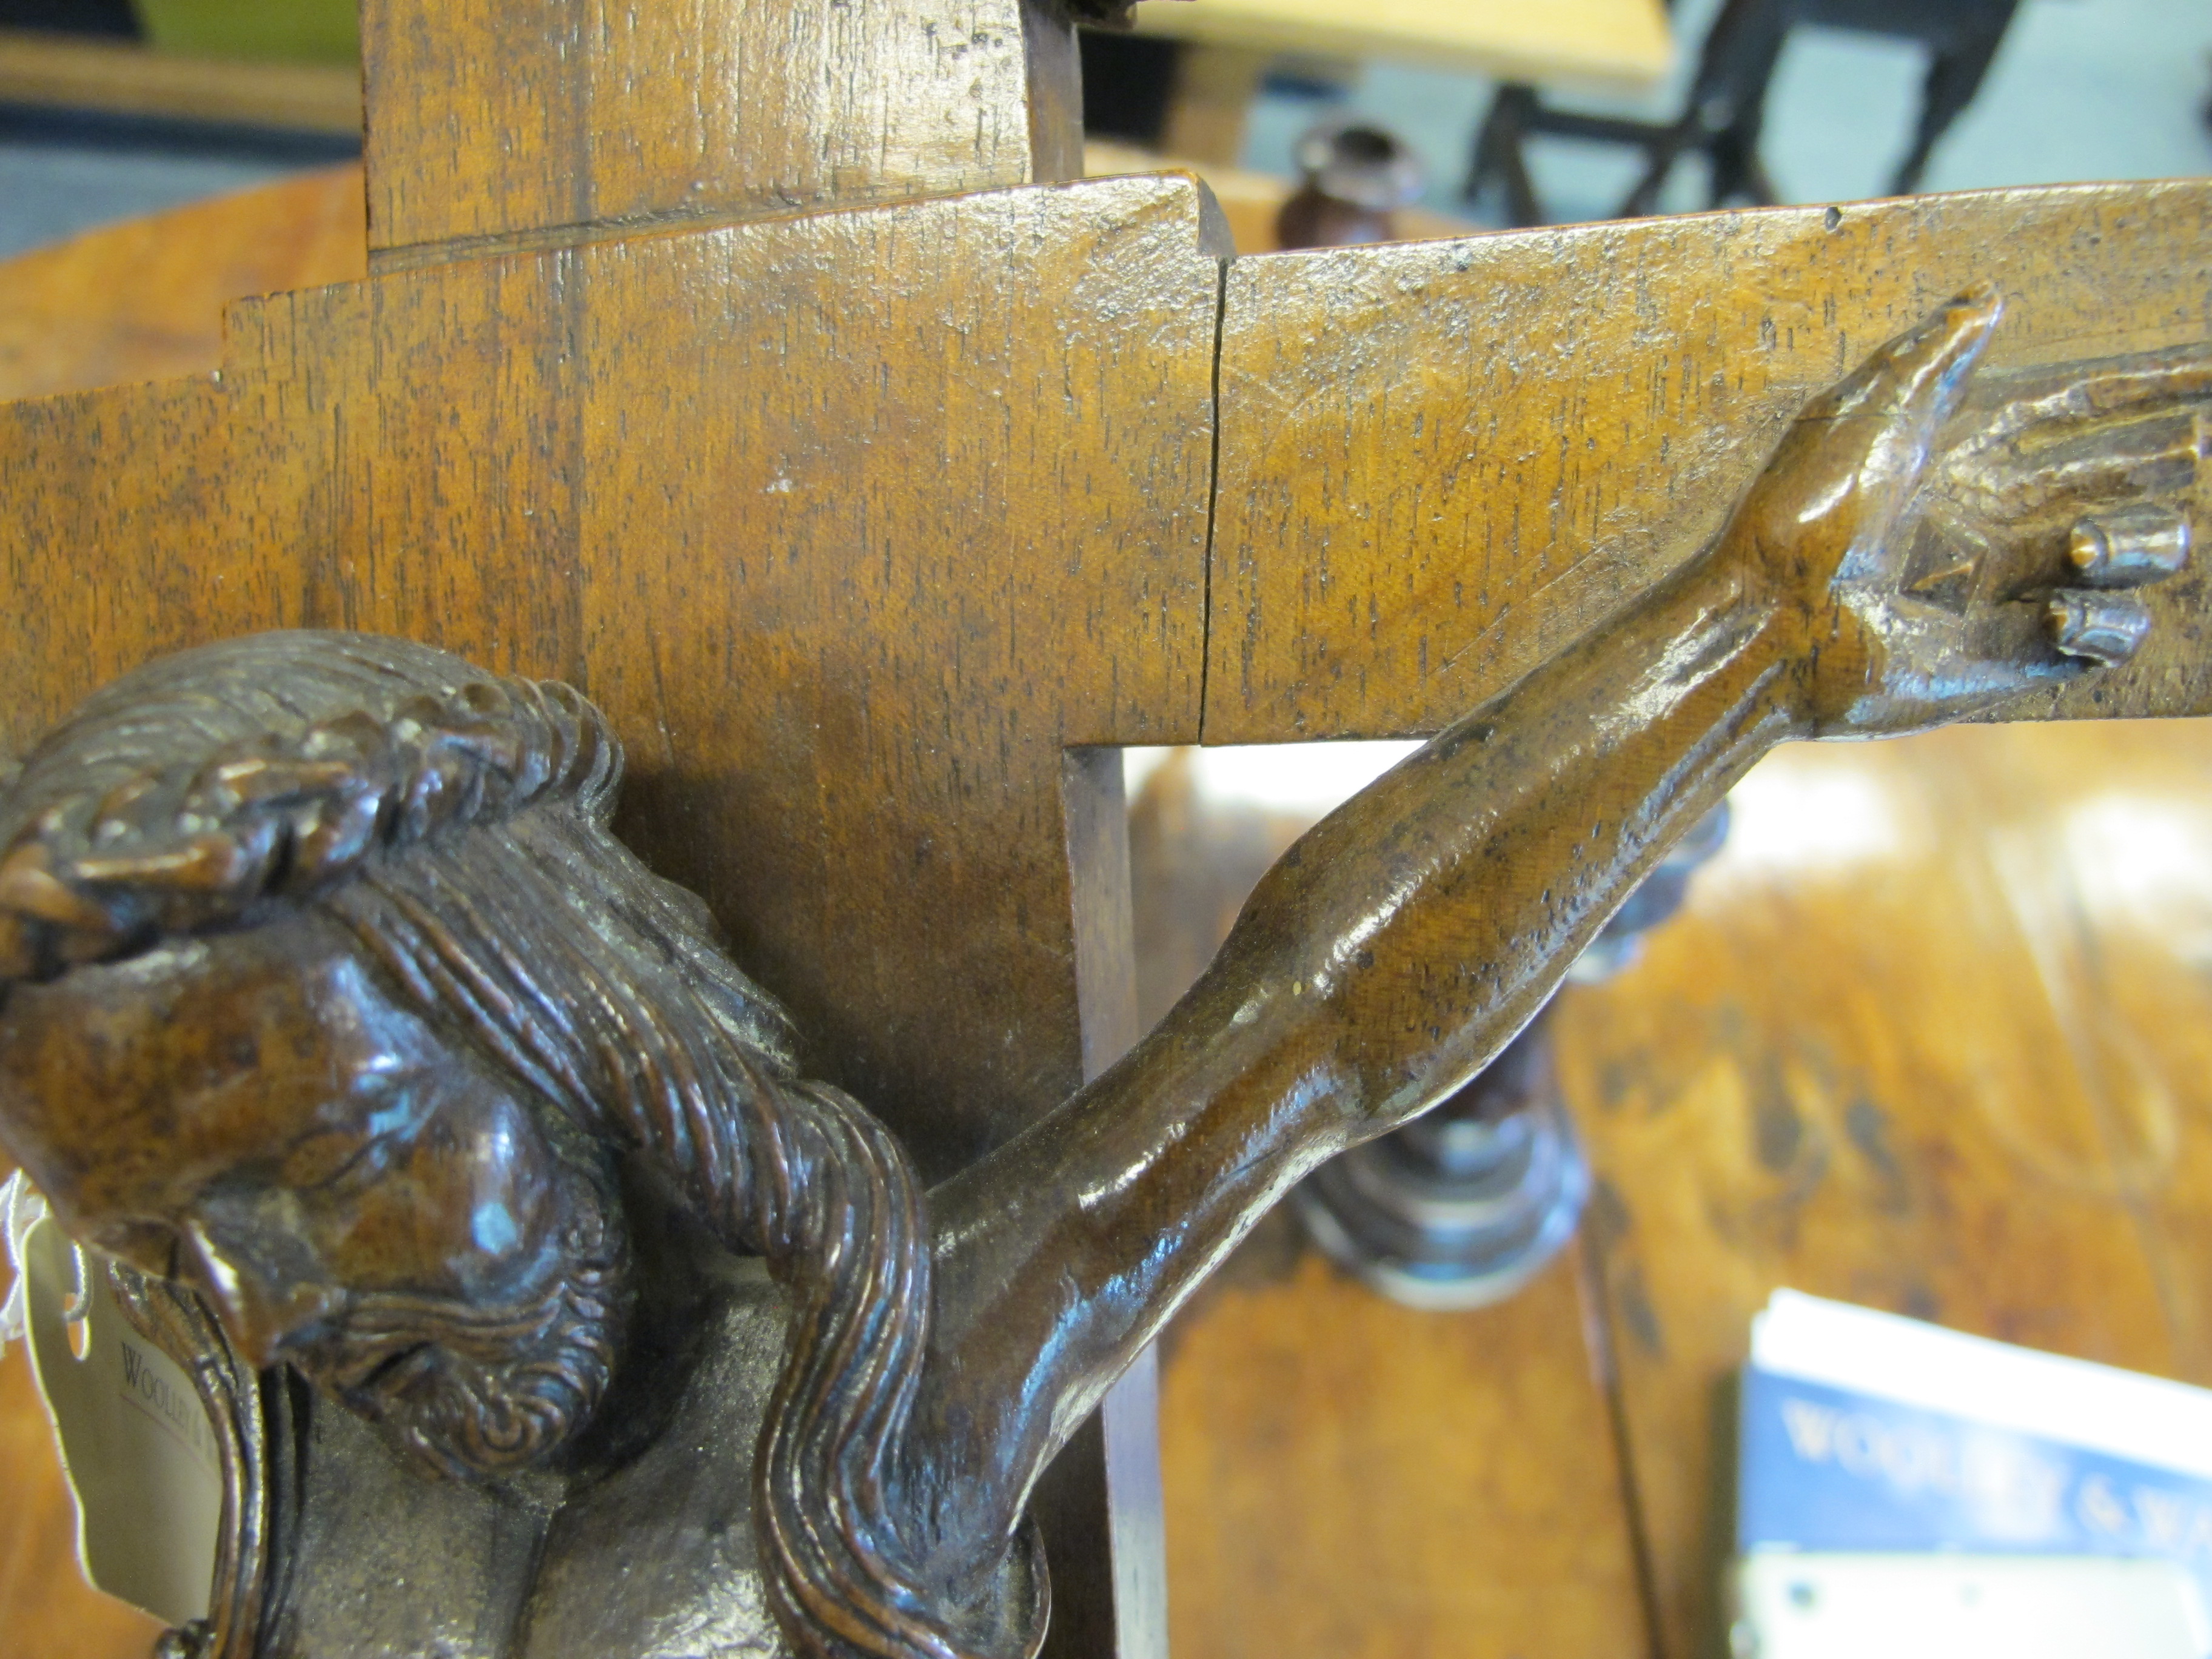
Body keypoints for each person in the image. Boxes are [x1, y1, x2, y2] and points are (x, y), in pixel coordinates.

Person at [0, 291, 2193, 1658]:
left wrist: (1753, 641)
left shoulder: (843, 1443)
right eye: (167, 1234)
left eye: (340, 1162)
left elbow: (1310, 1025)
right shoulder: (276, 1460)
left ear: (574, 1042)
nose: (267, 1310)